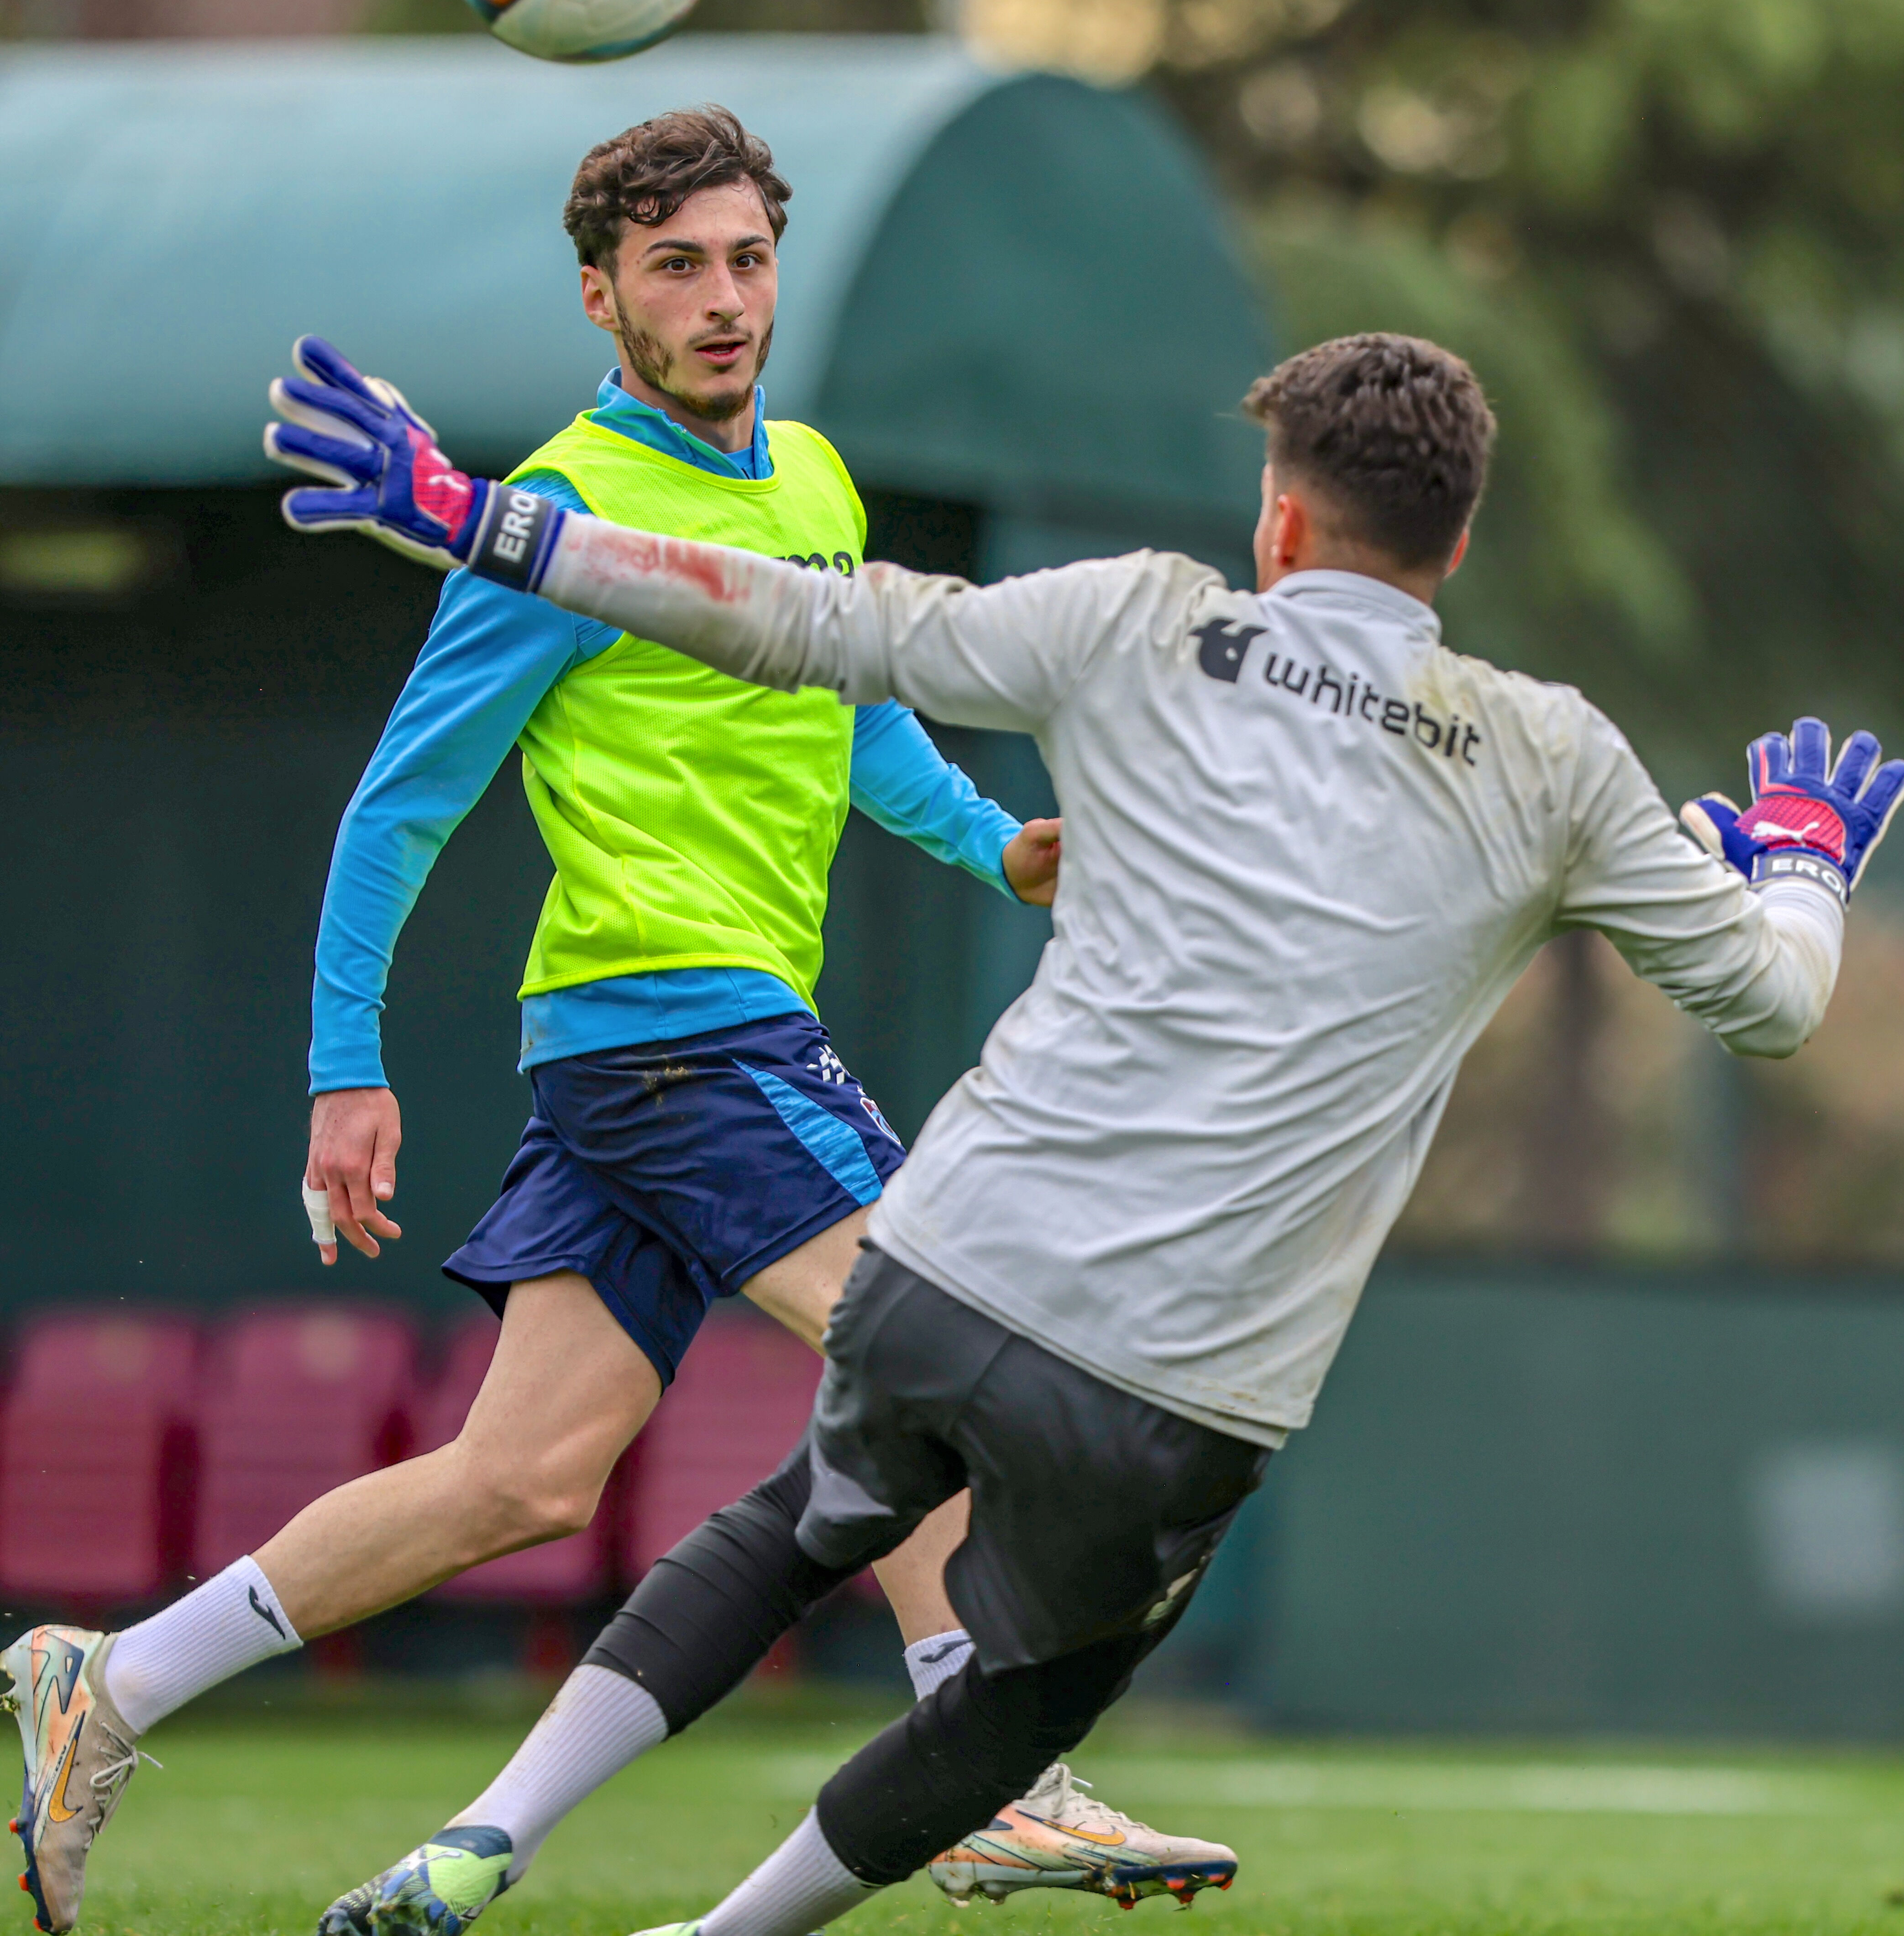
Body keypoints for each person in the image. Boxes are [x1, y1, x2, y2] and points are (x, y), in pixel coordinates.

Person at [257, 321, 1904, 1936]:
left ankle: (489, 1835)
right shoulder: (1552, 762)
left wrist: (479, 516)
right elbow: (1771, 998)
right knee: (1005, 1719)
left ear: (1276, 515)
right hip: (1192, 1382)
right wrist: (1797, 865)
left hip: (958, 1259)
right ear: (1461, 538)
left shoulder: (1139, 619)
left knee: (790, 1529)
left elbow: (791, 623)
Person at [0, 107, 1223, 1936]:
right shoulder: (557, 515)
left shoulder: (810, 475)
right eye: (677, 267)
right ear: (603, 295)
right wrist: (347, 1059)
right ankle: (991, 1763)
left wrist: (993, 843)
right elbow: (400, 801)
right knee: (945, 1337)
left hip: (653, 1051)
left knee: (520, 1474)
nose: (724, 300)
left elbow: (852, 707)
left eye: (746, 258)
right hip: (677, 1027)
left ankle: (108, 1678)